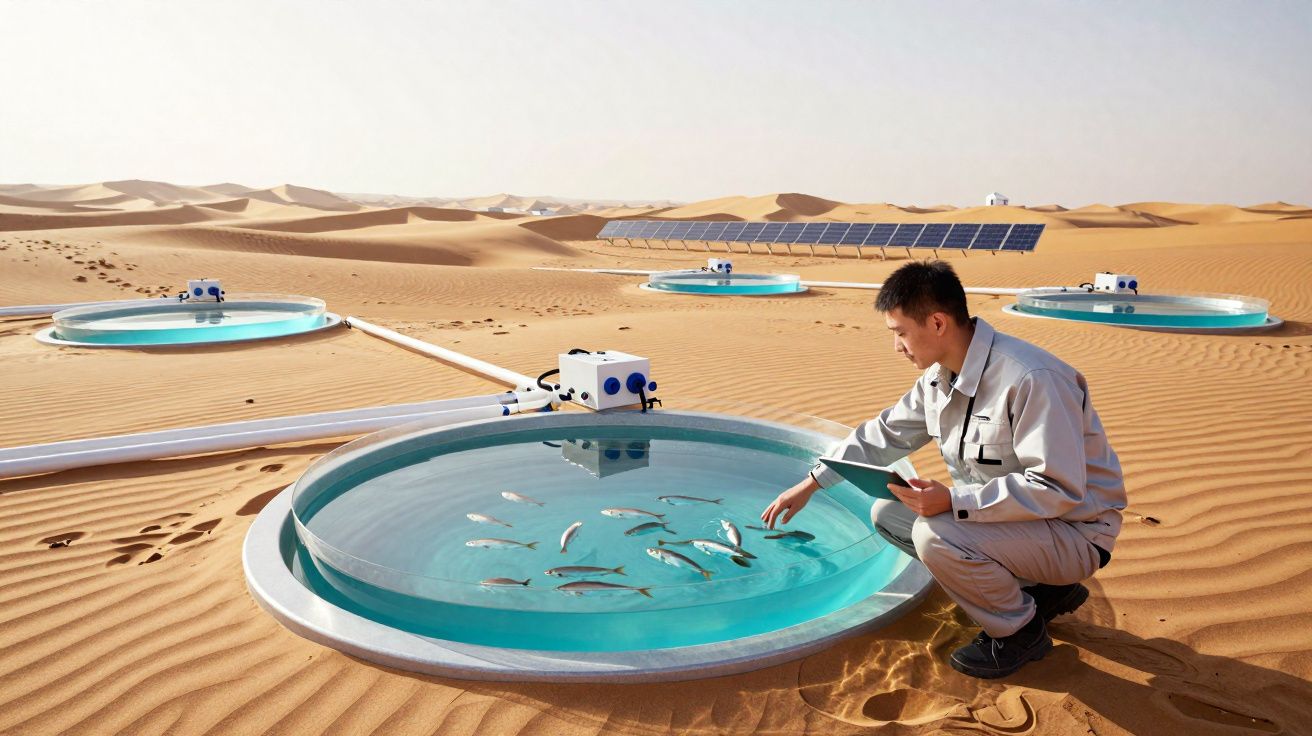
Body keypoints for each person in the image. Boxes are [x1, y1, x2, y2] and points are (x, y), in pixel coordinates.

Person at [760, 260, 1126, 679]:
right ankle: (1044, 591)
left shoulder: (1030, 378)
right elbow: (883, 435)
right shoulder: (937, 380)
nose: (897, 346)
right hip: (1013, 526)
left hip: (1073, 532)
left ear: (936, 323)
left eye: (900, 333)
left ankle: (1019, 632)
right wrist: (810, 485)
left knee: (935, 533)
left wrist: (952, 499)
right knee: (888, 513)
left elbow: (1056, 489)